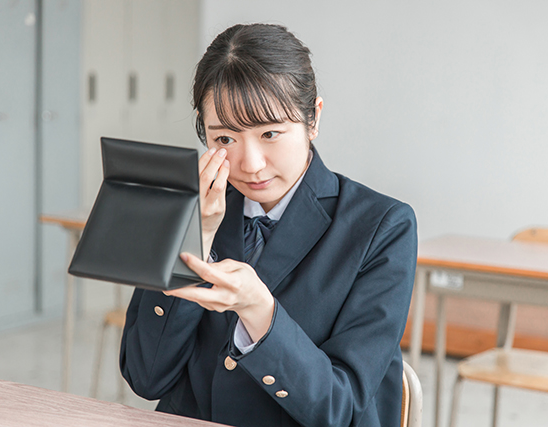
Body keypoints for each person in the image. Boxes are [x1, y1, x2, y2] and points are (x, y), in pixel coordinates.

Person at [120, 23, 417, 427]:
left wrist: (259, 310)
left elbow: (339, 409)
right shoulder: (187, 209)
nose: (251, 163)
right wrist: (195, 236)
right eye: (224, 139)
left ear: (313, 119)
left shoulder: (382, 227)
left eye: (271, 133)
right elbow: (145, 376)